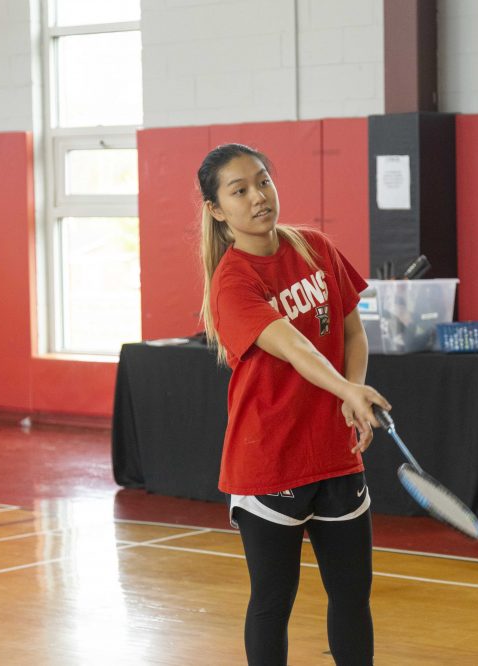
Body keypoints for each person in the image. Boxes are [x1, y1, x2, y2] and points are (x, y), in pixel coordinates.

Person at [198, 143, 390, 666]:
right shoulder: (232, 282)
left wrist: (352, 390)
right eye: (240, 190)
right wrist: (348, 392)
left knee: (352, 597)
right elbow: (294, 347)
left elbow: (353, 331)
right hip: (269, 457)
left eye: (264, 181)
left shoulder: (316, 247)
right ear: (217, 210)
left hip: (334, 451)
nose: (259, 197)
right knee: (272, 602)